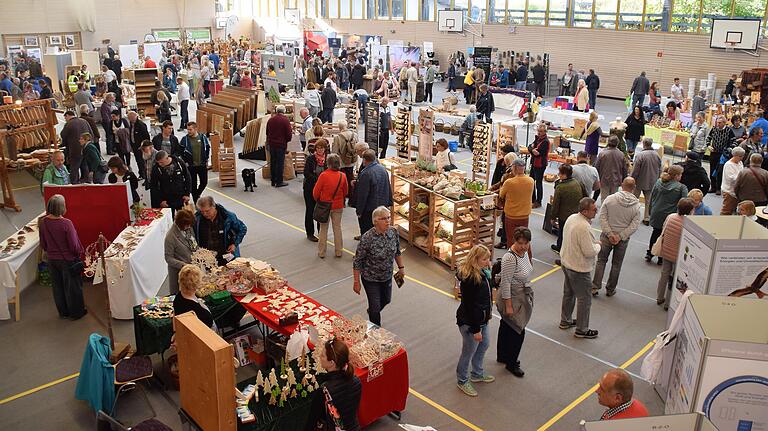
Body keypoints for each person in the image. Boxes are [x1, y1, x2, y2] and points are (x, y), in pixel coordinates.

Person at [352, 206, 404, 327]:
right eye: (384, 219)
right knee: (375, 308)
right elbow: (357, 261)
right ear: (375, 221)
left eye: (389, 217)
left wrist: (401, 268)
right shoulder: (367, 238)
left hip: (386, 276)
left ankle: (372, 312)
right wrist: (356, 282)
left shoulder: (393, 232)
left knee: (386, 300)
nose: (388, 221)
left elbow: (397, 251)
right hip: (371, 278)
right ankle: (377, 331)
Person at [455, 244, 494, 397]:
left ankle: (477, 373)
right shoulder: (471, 279)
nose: (487, 262)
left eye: (488, 259)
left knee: (484, 344)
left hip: (482, 319)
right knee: (468, 351)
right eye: (484, 259)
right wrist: (476, 329)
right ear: (475, 260)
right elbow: (470, 306)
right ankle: (462, 380)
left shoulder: (483, 273)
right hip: (470, 322)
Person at [39, 195, 86, 320]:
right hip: (67, 260)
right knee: (72, 288)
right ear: (62, 207)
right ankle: (76, 312)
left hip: (52, 260)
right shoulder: (66, 223)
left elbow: (43, 244)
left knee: (57, 287)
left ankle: (63, 312)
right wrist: (77, 254)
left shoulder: (43, 222)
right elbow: (74, 245)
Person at [559, 197, 600, 339]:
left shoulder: (572, 218)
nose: (596, 211)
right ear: (585, 211)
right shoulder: (584, 227)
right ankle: (582, 329)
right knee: (585, 299)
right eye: (594, 210)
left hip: (567, 262)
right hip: (579, 267)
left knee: (569, 293)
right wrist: (598, 245)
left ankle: (566, 320)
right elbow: (589, 251)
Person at [592, 178, 641, 296]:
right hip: (622, 240)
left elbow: (602, 218)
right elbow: (634, 225)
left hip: (606, 236)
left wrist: (610, 234)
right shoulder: (637, 206)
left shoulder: (610, 199)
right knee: (616, 265)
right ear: (634, 187)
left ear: (622, 185)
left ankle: (595, 287)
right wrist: (620, 236)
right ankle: (610, 289)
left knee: (601, 261)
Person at [496, 227, 534, 377]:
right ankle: (511, 363)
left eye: (526, 243)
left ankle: (503, 356)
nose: (524, 246)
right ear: (514, 241)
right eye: (520, 243)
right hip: (511, 297)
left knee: (506, 326)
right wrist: (508, 306)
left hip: (520, 295)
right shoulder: (510, 258)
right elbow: (505, 283)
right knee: (518, 330)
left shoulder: (524, 254)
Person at [305, 338, 362, 431]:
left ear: (332, 362)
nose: (320, 356)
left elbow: (312, 420)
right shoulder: (356, 381)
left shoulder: (324, 391)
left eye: (323, 355)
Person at [656, 198, 695, 307]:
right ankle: (668, 303)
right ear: (690, 210)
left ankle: (659, 297)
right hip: (679, 256)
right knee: (674, 279)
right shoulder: (689, 224)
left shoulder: (670, 217)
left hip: (666, 251)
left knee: (664, 274)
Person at [647, 165, 688, 263]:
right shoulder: (681, 188)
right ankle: (661, 258)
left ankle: (650, 253)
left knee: (655, 233)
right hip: (669, 216)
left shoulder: (658, 182)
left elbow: (652, 197)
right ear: (677, 176)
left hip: (656, 212)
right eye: (680, 174)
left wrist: (650, 211)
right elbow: (684, 203)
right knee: (665, 236)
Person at [194, 196, 247, 266]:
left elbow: (242, 229)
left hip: (226, 255)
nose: (205, 214)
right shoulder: (197, 219)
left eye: (207, 211)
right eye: (202, 212)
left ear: (214, 206)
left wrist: (234, 244)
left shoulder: (228, 217)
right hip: (207, 259)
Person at [313, 154, 348, 259]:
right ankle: (339, 251)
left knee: (323, 228)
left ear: (328, 164)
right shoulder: (343, 176)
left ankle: (322, 252)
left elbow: (315, 192)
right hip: (338, 205)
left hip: (325, 205)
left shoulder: (323, 175)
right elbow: (345, 192)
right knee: (337, 228)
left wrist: (319, 200)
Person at [551, 164, 587, 255]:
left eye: (560, 173)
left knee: (562, 233)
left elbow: (556, 204)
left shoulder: (560, 187)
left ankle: (560, 248)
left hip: (564, 215)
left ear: (564, 174)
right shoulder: (578, 182)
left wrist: (553, 217)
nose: (558, 174)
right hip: (577, 214)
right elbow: (585, 196)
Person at [354, 150, 392, 236]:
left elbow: (363, 195)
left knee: (367, 233)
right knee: (380, 232)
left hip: (369, 210)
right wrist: (389, 202)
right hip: (382, 207)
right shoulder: (383, 169)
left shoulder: (366, 173)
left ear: (364, 160)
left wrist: (359, 211)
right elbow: (388, 186)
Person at [498, 158, 534, 245]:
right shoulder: (531, 181)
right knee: (524, 240)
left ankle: (511, 258)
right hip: (525, 215)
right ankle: (524, 258)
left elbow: (501, 195)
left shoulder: (509, 182)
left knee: (511, 239)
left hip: (511, 215)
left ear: (514, 168)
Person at [164, 209, 198, 295]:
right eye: (188, 225)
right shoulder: (170, 237)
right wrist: (184, 265)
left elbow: (193, 242)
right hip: (179, 273)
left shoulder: (188, 228)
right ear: (180, 224)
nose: (189, 227)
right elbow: (168, 258)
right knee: (179, 295)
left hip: (192, 269)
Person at [631, 138, 662, 225]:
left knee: (634, 199)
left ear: (644, 144)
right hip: (652, 181)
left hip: (639, 181)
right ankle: (647, 218)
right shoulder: (657, 155)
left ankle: (631, 214)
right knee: (648, 201)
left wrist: (632, 179)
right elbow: (660, 169)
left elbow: (635, 170)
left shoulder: (640, 155)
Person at [304, 138, 328, 242]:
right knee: (310, 210)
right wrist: (319, 180)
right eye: (318, 148)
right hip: (310, 188)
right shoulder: (310, 159)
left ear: (325, 149)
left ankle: (320, 232)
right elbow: (306, 173)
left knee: (320, 211)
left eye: (321, 148)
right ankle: (310, 233)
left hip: (322, 190)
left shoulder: (327, 159)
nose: (319, 150)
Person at [60, 110, 94, 184]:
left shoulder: (68, 124)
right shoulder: (84, 121)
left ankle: (74, 182)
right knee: (84, 164)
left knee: (74, 167)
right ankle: (86, 180)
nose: (65, 119)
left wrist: (64, 144)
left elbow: (63, 135)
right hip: (86, 147)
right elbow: (91, 133)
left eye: (65, 118)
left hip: (74, 149)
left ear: (67, 116)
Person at [179, 122, 210, 202]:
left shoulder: (202, 137)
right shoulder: (184, 139)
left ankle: (197, 194)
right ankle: (196, 201)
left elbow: (207, 147)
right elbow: (181, 151)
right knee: (193, 185)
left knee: (204, 182)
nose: (188, 131)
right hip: (191, 166)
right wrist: (185, 161)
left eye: (190, 129)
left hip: (202, 164)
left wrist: (206, 159)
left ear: (195, 129)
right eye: (187, 129)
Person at [707, 116, 736, 193]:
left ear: (724, 123)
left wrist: (729, 149)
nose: (718, 124)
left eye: (719, 123)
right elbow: (708, 138)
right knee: (712, 169)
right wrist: (708, 146)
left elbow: (734, 142)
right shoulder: (713, 129)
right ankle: (713, 187)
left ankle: (718, 188)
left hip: (723, 155)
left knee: (720, 171)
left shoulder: (729, 131)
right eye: (717, 122)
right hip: (713, 153)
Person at [266, 105, 293, 187]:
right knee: (280, 163)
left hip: (272, 144)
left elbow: (267, 132)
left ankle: (273, 180)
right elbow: (289, 134)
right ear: (284, 111)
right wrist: (287, 140)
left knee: (273, 162)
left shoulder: (270, 120)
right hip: (281, 145)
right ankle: (279, 181)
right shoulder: (285, 120)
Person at [595, 135, 627, 200]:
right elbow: (624, 169)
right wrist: (624, 180)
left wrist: (597, 179)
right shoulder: (621, 154)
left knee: (604, 199)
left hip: (604, 180)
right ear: (617, 143)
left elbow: (597, 167)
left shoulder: (602, 153)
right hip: (616, 180)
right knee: (613, 200)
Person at [333, 119, 358, 196]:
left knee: (342, 179)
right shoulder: (354, 135)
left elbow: (335, 151)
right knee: (350, 177)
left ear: (339, 127)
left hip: (342, 161)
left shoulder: (337, 137)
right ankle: (351, 195)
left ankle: (343, 195)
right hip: (352, 160)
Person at [529, 122, 550, 208]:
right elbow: (530, 147)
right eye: (538, 131)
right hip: (534, 163)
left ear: (545, 132)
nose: (539, 133)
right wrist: (532, 149)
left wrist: (532, 150)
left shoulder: (545, 142)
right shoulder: (537, 139)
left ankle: (539, 201)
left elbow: (538, 153)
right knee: (531, 181)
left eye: (540, 131)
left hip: (540, 165)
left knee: (538, 183)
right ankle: (532, 199)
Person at [721, 146, 745, 215]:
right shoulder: (728, 165)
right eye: (740, 156)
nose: (742, 158)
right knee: (726, 210)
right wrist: (742, 178)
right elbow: (731, 178)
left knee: (735, 210)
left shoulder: (740, 163)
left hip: (736, 191)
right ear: (735, 155)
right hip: (729, 191)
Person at [127, 111, 150, 180]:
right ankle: (141, 174)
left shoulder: (141, 125)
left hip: (141, 147)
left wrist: (144, 146)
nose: (129, 119)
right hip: (135, 146)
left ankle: (145, 176)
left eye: (130, 118)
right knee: (138, 161)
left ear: (135, 117)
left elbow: (146, 137)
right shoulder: (131, 124)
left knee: (142, 162)